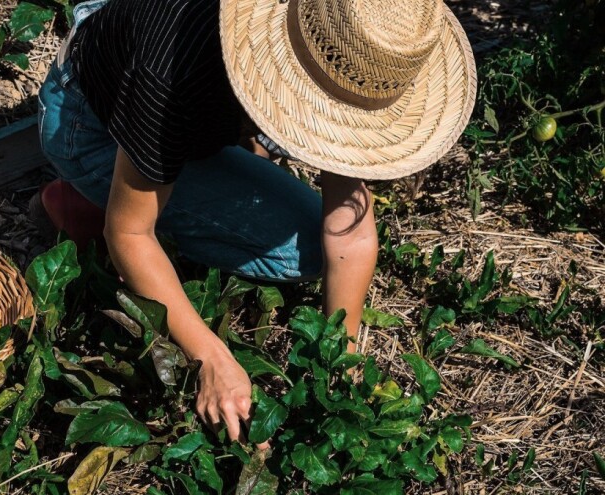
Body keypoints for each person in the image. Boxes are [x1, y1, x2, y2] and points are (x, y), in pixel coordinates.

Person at [37, 0, 476, 445]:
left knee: (307, 238)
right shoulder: (168, 74)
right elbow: (130, 234)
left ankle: (143, 180)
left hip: (164, 84)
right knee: (292, 251)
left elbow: (351, 231)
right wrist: (211, 358)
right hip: (89, 117)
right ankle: (89, 194)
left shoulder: (341, 40)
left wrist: (341, 362)